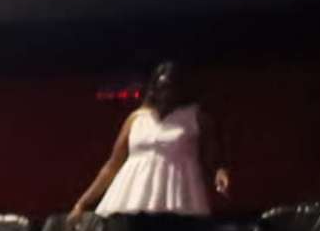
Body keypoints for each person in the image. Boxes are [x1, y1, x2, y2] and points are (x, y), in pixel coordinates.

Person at [74, 63, 229, 216]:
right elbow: (113, 165)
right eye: (161, 87)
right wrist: (83, 203)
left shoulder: (195, 117)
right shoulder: (136, 118)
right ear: (153, 89)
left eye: (170, 87)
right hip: (131, 200)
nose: (165, 93)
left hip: (179, 199)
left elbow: (213, 157)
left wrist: (220, 172)